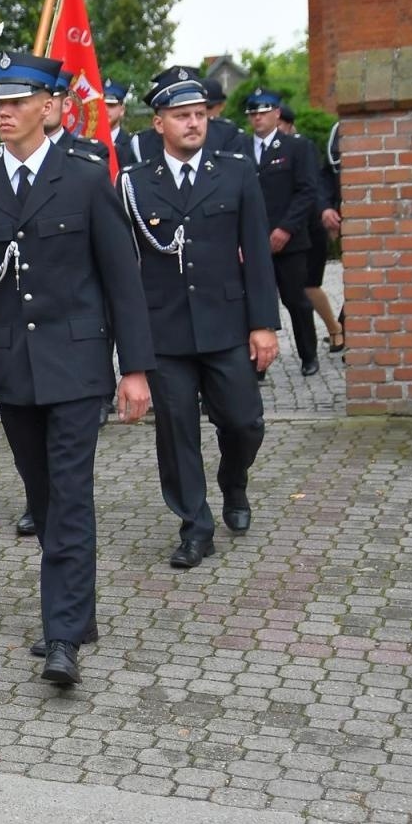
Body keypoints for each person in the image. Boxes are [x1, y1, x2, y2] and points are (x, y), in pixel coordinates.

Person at [0, 51, 155, 687]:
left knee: (71, 495)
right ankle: (79, 613)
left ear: (49, 107)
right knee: (46, 500)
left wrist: (136, 369)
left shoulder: (84, 178)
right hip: (16, 374)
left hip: (79, 368)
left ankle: (62, 636)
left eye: (18, 101)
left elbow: (122, 279)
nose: (4, 111)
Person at [117, 68, 279, 568]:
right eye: (181, 116)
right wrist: (131, 352)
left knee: (245, 422)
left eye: (199, 114)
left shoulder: (234, 172)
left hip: (226, 325)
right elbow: (124, 269)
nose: (193, 123)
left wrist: (263, 324)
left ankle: (234, 480)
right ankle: (195, 526)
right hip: (164, 331)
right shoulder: (133, 183)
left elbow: (256, 251)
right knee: (176, 433)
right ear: (158, 123)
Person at [244, 87, 321, 377]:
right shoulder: (240, 149)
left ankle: (308, 354)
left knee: (295, 300)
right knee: (254, 304)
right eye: (253, 113)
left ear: (277, 114)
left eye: (264, 112)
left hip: (288, 240)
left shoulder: (296, 147)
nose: (258, 118)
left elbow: (307, 191)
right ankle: (257, 363)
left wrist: (285, 229)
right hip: (252, 241)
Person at [305, 117, 345, 354]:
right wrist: (327, 208)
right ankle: (342, 328)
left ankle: (343, 328)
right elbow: (328, 176)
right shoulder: (338, 130)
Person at [203, 77, 250, 152]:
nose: (204, 112)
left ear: (222, 106)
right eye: (199, 109)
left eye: (209, 107)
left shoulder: (233, 136)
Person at [105, 79, 137, 171]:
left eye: (111, 105)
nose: (105, 109)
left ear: (122, 110)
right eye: (101, 105)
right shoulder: (87, 142)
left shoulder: (132, 145)